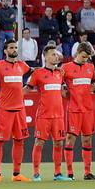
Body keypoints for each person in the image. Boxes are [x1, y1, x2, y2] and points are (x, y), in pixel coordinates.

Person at [0, 41, 32, 182]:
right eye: (11, 48)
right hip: (4, 109)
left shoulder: (22, 65)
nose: (14, 50)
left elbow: (36, 73)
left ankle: (16, 174)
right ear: (5, 51)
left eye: (15, 47)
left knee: (19, 141)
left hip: (19, 109)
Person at [27, 47, 68, 181]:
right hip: (44, 115)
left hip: (59, 115)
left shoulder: (60, 73)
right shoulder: (38, 73)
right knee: (39, 142)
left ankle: (57, 173)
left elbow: (63, 92)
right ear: (46, 57)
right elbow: (27, 89)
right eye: (53, 54)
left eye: (56, 54)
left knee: (58, 143)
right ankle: (36, 173)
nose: (56, 57)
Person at [65, 46, 95, 180]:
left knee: (87, 139)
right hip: (74, 109)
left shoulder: (90, 67)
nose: (85, 59)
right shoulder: (66, 68)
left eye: (87, 57)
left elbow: (94, 84)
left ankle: (87, 172)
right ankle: (69, 173)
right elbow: (58, 84)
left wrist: (90, 90)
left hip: (87, 109)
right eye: (83, 56)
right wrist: (67, 93)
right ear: (77, 53)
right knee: (70, 139)